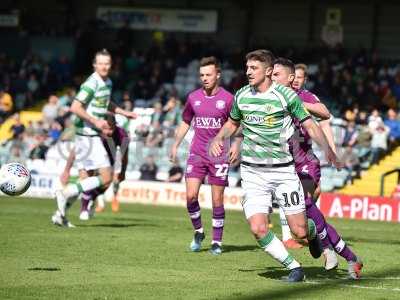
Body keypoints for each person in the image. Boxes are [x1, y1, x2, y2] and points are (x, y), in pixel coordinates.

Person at [210, 49, 341, 282]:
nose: (248, 72)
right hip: (252, 173)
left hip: (283, 171)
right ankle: (294, 267)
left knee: (299, 232)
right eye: (247, 67)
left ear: (269, 71)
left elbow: (310, 125)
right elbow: (232, 123)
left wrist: (328, 149)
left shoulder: (286, 96)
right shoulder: (241, 95)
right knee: (258, 228)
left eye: (254, 68)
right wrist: (220, 138)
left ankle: (312, 235)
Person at [272, 59, 363, 279]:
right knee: (302, 219)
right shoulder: (272, 99)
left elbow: (324, 115)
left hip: (305, 161)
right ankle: (343, 253)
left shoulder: (305, 97)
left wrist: (332, 152)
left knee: (305, 202)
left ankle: (329, 250)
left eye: (276, 74)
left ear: (294, 78)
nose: (273, 78)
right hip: (283, 164)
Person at [52, 49, 136, 227]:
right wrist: (95, 121)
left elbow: (106, 104)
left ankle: (60, 215)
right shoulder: (91, 83)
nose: (104, 66)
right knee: (106, 177)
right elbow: (75, 107)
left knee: (86, 181)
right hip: (87, 134)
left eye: (107, 63)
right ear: (94, 65)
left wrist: (123, 112)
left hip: (89, 135)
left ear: (110, 65)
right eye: (101, 63)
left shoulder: (108, 82)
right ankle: (65, 192)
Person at [169, 56, 239, 255]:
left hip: (219, 155)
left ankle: (217, 241)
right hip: (197, 153)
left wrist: (236, 143)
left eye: (209, 74)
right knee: (190, 196)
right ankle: (199, 231)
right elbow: (185, 122)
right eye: (202, 75)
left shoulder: (228, 99)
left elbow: (237, 123)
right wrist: (175, 144)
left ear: (218, 75)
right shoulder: (193, 98)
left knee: (217, 200)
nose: (205, 78)